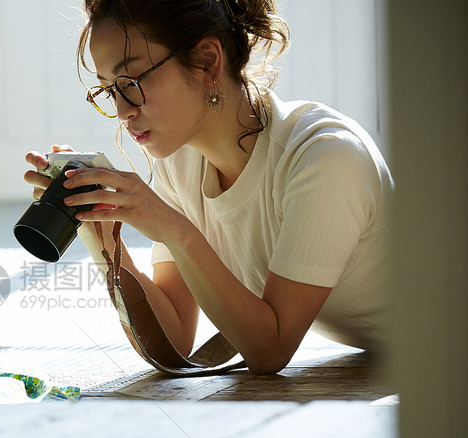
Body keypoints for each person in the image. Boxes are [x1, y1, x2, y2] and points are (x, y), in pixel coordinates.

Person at [24, 0, 393, 375]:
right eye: (108, 91)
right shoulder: (180, 163)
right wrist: (101, 231)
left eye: (131, 83)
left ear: (207, 61)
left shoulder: (325, 156)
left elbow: (271, 350)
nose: (122, 112)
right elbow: (173, 337)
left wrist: (174, 228)